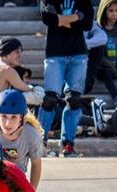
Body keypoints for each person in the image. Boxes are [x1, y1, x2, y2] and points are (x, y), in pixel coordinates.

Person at [38, 0, 95, 158]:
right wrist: (77, 17)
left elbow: (88, 23)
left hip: (78, 53)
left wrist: (61, 20)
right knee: (50, 98)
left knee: (74, 98)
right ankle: (39, 140)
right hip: (55, 53)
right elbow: (47, 18)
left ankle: (68, 143)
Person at [0, 89, 44, 188]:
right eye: (4, 116)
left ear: (21, 118)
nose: (8, 123)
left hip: (15, 181)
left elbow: (36, 165)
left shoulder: (32, 135)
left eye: (14, 117)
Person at [0, 37, 37, 113]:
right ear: (6, 53)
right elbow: (28, 89)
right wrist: (39, 91)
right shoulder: (6, 70)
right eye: (16, 52)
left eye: (20, 52)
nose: (20, 55)